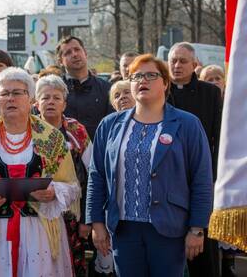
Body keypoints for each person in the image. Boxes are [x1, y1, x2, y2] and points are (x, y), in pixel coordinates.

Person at [86, 54, 213, 277]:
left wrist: (197, 228)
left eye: (151, 75)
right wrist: (96, 222)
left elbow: (201, 179)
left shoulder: (187, 124)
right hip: (124, 229)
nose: (142, 80)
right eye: (136, 76)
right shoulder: (110, 125)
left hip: (168, 228)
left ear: (165, 83)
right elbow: (96, 175)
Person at [0, 67, 80, 276]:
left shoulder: (51, 138)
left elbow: (72, 187)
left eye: (17, 93)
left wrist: (54, 192)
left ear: (30, 98)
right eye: (4, 94)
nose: (10, 99)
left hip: (41, 232)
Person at [167, 42, 221, 277]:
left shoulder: (210, 93)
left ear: (195, 65)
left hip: (200, 176)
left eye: (183, 61)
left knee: (202, 249)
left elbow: (218, 135)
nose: (177, 66)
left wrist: (215, 176)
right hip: (168, 179)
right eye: (173, 61)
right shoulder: (162, 90)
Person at [35, 74, 93, 276]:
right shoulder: (27, 129)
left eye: (56, 98)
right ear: (36, 102)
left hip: (72, 213)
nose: (50, 102)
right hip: (35, 213)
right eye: (45, 97)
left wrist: (87, 217)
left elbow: (92, 174)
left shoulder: (76, 130)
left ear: (64, 103)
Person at [56, 36, 113, 140]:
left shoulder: (107, 89)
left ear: (85, 53)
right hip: (64, 153)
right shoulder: (55, 90)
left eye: (77, 49)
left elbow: (112, 126)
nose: (74, 54)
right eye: (68, 53)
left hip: (99, 152)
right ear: (60, 61)